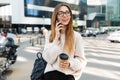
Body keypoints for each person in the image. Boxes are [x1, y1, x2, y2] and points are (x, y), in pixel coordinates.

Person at [42, 3, 87, 80]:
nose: (64, 15)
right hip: (51, 74)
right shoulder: (50, 34)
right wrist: (56, 40)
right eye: (61, 13)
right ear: (56, 16)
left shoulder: (76, 36)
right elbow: (48, 59)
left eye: (67, 12)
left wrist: (70, 64)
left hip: (67, 75)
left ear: (70, 16)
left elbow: (81, 61)